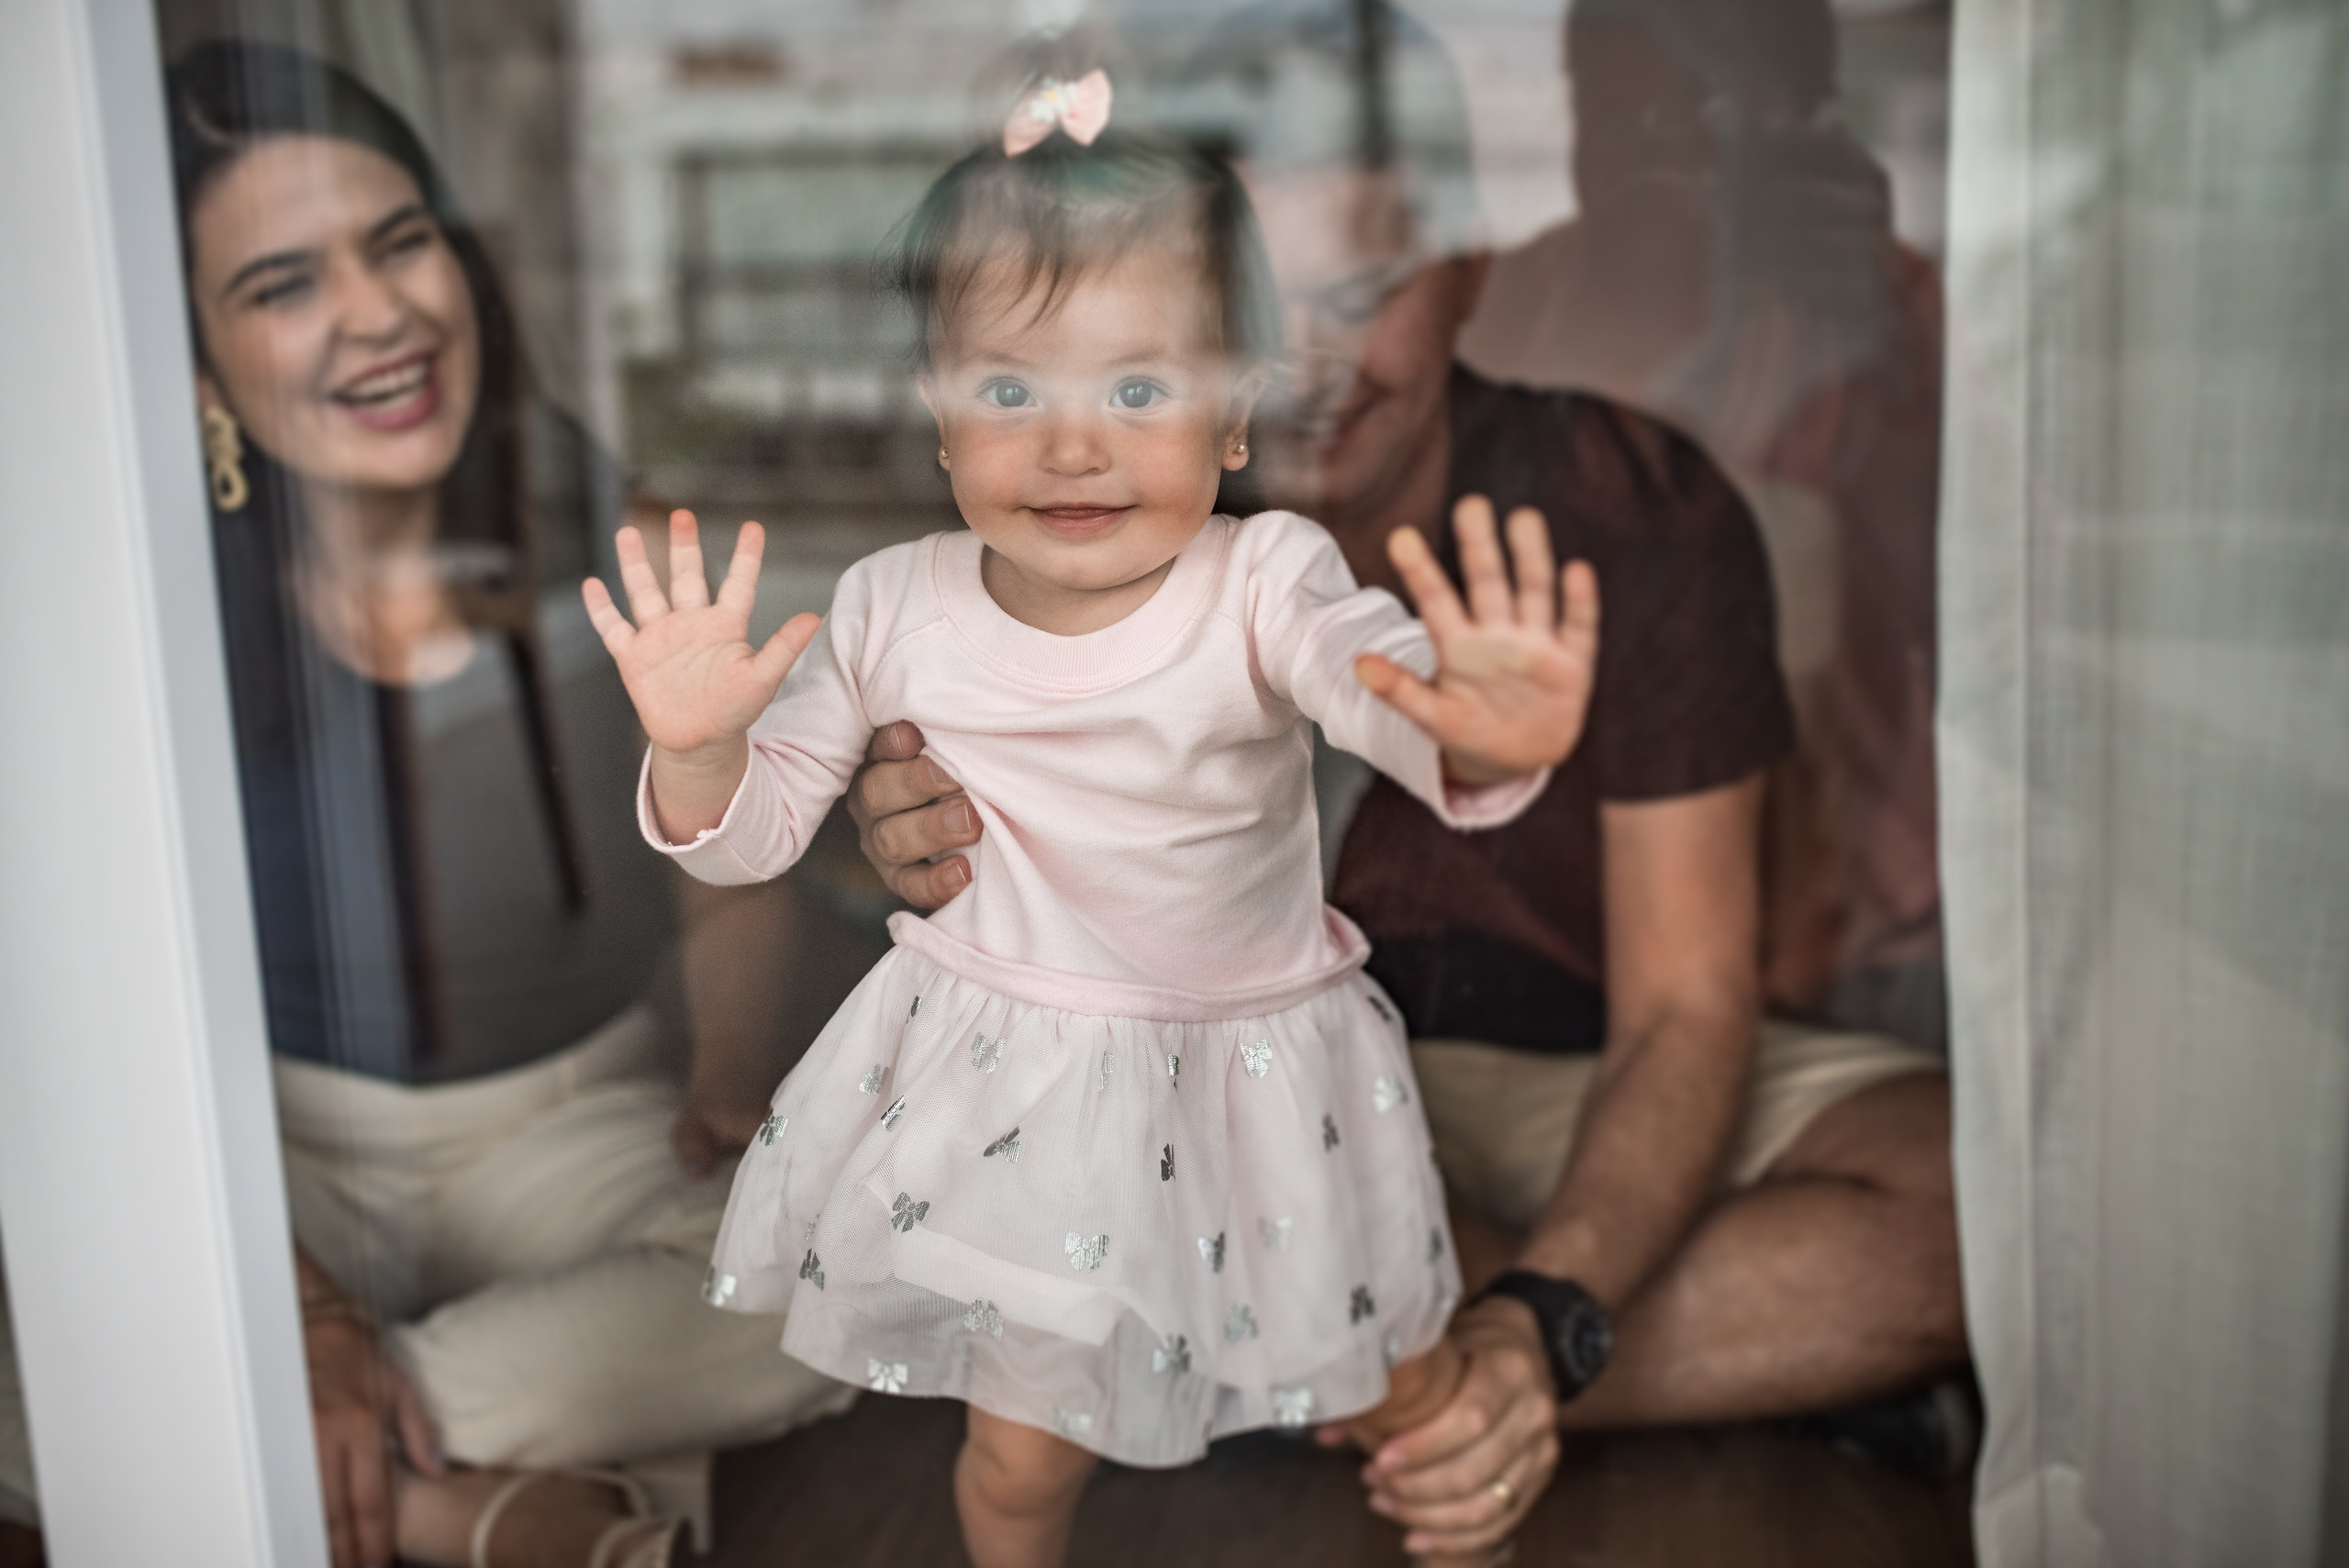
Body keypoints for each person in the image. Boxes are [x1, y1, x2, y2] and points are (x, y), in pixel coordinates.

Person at [852, 4, 1967, 1562]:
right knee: (1106, 1186)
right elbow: (927, 821)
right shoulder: (1065, 518)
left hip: (1563, 1075)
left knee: (1976, 1202)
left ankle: (1361, 1369)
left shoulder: (1623, 507)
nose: (1300, 365)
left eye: (1365, 291)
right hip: (1208, 1102)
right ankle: (1445, 1361)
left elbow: (1684, 1004)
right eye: (1243, 308)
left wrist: (1547, 1319)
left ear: (1472, 266)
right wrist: (901, 818)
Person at [582, 73, 1597, 1568]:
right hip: (1022, 1096)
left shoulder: (1263, 577)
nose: (1072, 445)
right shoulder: (891, 602)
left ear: (1236, 415)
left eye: (1138, 388)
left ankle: (1472, 1525)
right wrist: (699, 743)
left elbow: (1361, 674)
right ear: (936, 416)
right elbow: (751, 835)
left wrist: (1461, 712)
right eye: (1010, 389)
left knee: (1391, 1384)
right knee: (1013, 1460)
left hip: (1256, 1082)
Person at [0, 39, 855, 1568]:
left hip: (569, 1126)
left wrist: (731, 1088)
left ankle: (331, 1461)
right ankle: (491, 1505)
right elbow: (90, 1029)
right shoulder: (133, 614)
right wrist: (301, 1295)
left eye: (400, 244)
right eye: (282, 285)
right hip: (265, 1150)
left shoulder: (607, 554)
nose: (382, 311)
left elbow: (724, 884)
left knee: (839, 1270)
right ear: (195, 370)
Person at [1454, 0, 1946, 1048]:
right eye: (1611, 118)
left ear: (1792, 128)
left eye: (1695, 122)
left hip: (1844, 906)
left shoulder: (1883, 304)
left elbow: (1973, 604)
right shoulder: (1515, 301)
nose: (1650, 166)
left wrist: (1880, 358)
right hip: (1554, 907)